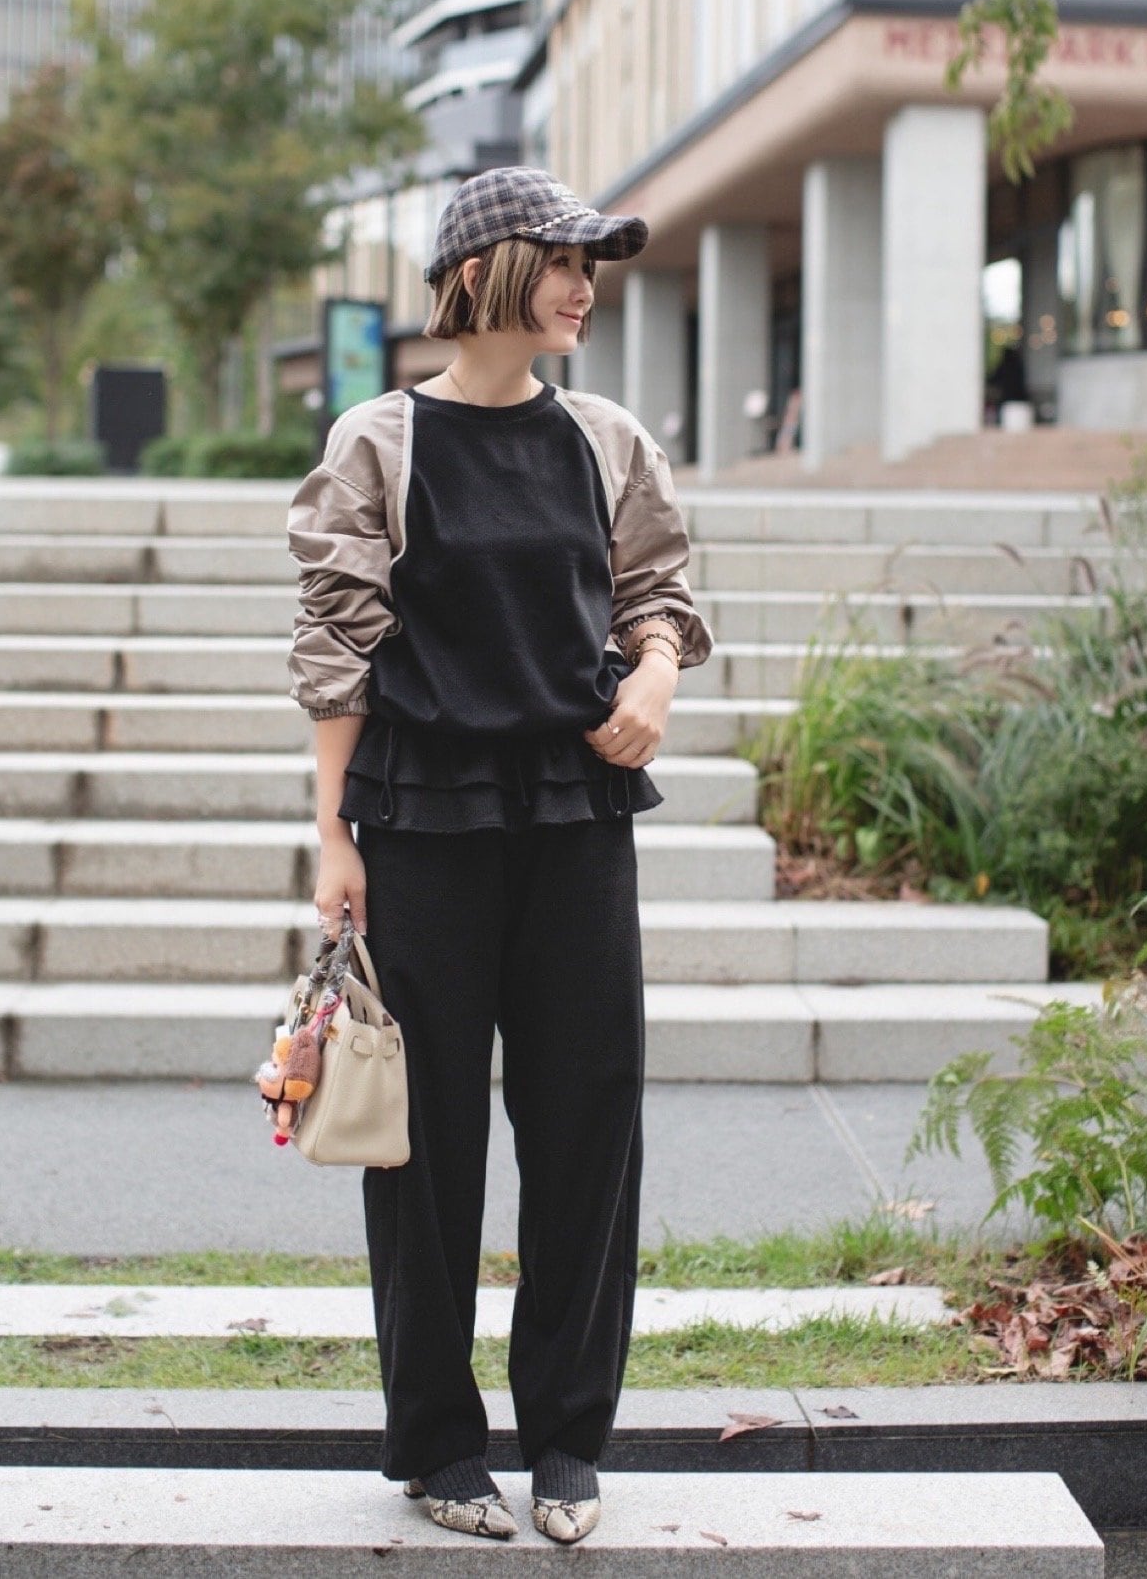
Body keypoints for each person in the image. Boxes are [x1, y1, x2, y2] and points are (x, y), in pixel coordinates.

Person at [286, 166, 714, 1545]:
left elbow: (660, 592)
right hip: (423, 820)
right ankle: (437, 1445)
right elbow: (337, 643)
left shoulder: (604, 437)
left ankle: (569, 1439)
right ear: (483, 273)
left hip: (578, 814)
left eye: (594, 267)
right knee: (425, 1145)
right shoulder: (381, 440)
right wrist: (333, 834)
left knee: (589, 1122)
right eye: (564, 262)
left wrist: (655, 674)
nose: (585, 289)